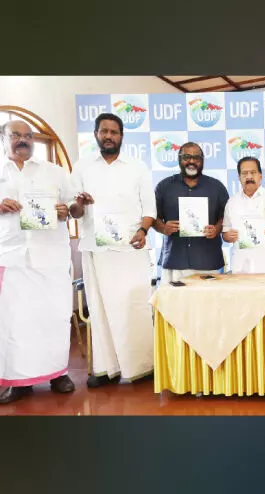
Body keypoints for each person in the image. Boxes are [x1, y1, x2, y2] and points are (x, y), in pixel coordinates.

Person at [69, 113, 156, 388]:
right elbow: (73, 211)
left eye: (114, 132)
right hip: (97, 250)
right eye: (103, 131)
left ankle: (143, 366)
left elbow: (150, 209)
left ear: (121, 136)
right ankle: (106, 369)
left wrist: (142, 231)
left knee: (134, 306)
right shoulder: (82, 167)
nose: (108, 136)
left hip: (131, 249)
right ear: (96, 134)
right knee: (100, 309)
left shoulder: (137, 167)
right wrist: (80, 204)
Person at [0, 121, 75, 403]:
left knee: (54, 317)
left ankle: (59, 374)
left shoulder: (53, 172)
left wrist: (66, 210)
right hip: (12, 257)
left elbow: (74, 206)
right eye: (16, 135)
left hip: (50, 257)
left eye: (29, 136)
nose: (24, 140)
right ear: (4, 138)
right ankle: (19, 381)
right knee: (16, 322)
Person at [154, 143, 229, 283]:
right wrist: (164, 228)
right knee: (172, 298)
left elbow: (225, 217)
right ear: (179, 159)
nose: (192, 161)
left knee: (211, 298)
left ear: (202, 160)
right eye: (186, 157)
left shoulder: (217, 187)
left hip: (208, 261)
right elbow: (153, 218)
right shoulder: (164, 187)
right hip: (175, 260)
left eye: (196, 157)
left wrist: (216, 229)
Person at [222, 157, 265, 273]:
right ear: (239, 177)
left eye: (253, 172)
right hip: (241, 267)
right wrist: (229, 235)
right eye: (244, 173)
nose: (249, 177)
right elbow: (225, 233)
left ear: (260, 176)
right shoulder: (232, 202)